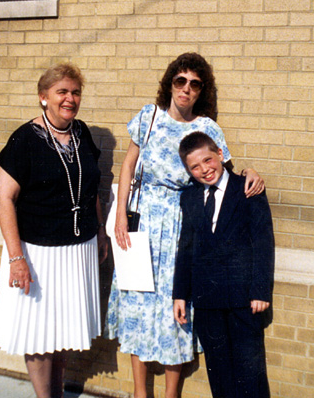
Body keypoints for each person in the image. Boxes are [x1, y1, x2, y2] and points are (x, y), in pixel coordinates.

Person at [105, 52, 265, 398]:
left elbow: (226, 175)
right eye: (180, 81)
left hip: (180, 226)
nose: (186, 89)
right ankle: (139, 393)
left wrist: (250, 173)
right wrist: (121, 215)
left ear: (200, 91)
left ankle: (170, 394)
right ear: (170, 83)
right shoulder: (148, 117)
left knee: (175, 306)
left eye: (194, 84)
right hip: (140, 221)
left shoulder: (206, 128)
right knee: (139, 302)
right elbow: (129, 166)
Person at [0, 63, 109, 398]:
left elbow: (90, 189)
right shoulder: (25, 139)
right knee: (41, 336)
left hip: (77, 250)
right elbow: (4, 198)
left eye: (75, 92)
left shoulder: (81, 132)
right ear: (44, 98)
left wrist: (99, 231)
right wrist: (16, 258)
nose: (70, 99)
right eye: (62, 92)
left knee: (63, 331)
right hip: (37, 253)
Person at [173, 131, 274, 398]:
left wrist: (260, 291)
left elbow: (263, 243)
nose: (204, 170)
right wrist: (180, 294)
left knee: (250, 374)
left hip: (243, 300)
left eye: (208, 160)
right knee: (219, 375)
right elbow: (186, 248)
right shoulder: (190, 198)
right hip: (207, 300)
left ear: (219, 154)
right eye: (194, 167)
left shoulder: (247, 188)